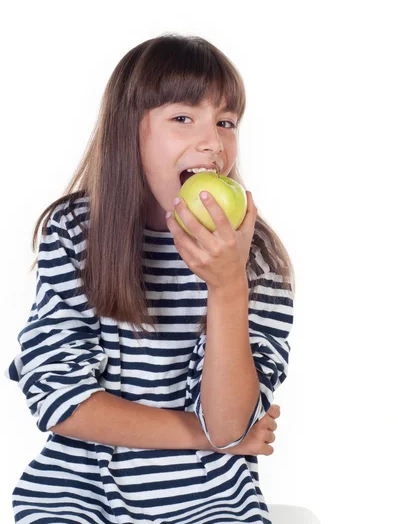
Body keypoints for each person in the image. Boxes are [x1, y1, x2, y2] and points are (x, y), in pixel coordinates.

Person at [5, 33, 295, 524]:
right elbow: (61, 404)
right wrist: (211, 437)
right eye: (183, 118)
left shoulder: (254, 257)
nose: (212, 141)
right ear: (128, 131)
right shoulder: (76, 233)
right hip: (76, 491)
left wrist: (227, 288)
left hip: (210, 499)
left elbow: (229, 421)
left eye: (226, 122)